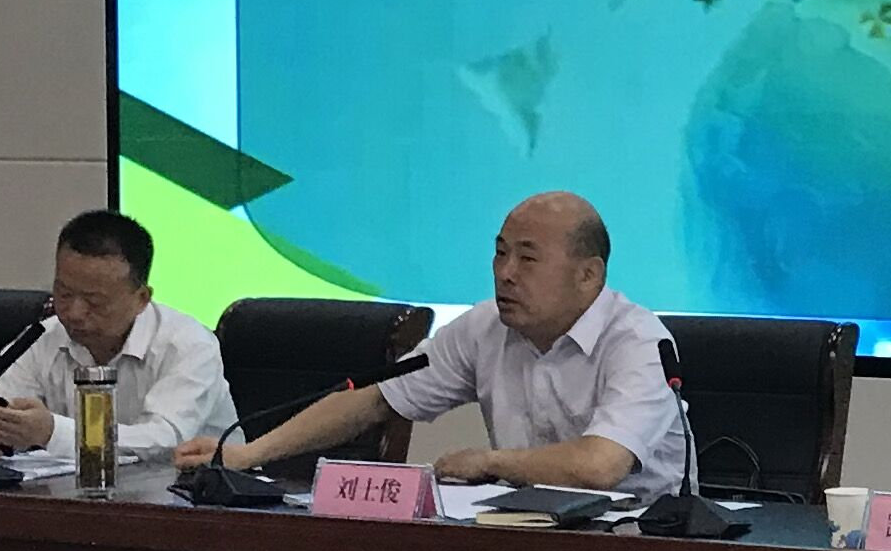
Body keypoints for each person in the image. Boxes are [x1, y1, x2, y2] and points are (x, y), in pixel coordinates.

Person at [177, 191, 686, 490]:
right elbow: (373, 398)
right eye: (500, 253)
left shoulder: (638, 342)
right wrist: (252, 452)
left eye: (528, 258)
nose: (505, 273)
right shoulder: (485, 326)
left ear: (588, 275)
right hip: (526, 534)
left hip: (643, 544)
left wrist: (490, 462)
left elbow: (601, 465)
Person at [0, 207, 232, 463]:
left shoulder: (188, 345)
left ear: (141, 299)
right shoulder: (44, 336)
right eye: (64, 294)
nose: (74, 313)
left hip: (189, 493)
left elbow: (166, 441)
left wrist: (52, 433)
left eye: (94, 301)